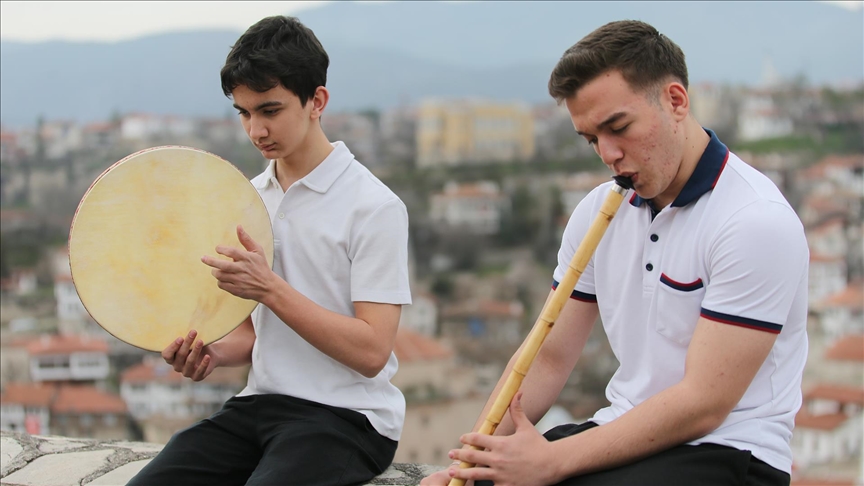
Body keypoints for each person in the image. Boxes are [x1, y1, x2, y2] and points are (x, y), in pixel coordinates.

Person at [423, 19, 808, 486]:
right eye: (591, 139)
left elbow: (704, 403)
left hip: (730, 451)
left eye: (618, 127)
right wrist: (466, 466)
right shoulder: (595, 213)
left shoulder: (755, 220)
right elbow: (548, 358)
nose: (607, 154)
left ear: (676, 101)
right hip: (623, 432)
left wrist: (552, 461)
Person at [128, 15, 412, 486]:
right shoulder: (247, 200)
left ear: (316, 101)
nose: (256, 129)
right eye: (243, 113)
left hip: (348, 417)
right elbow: (251, 334)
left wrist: (269, 288)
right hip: (258, 405)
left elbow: (372, 352)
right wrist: (211, 353)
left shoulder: (374, 206)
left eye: (270, 110)